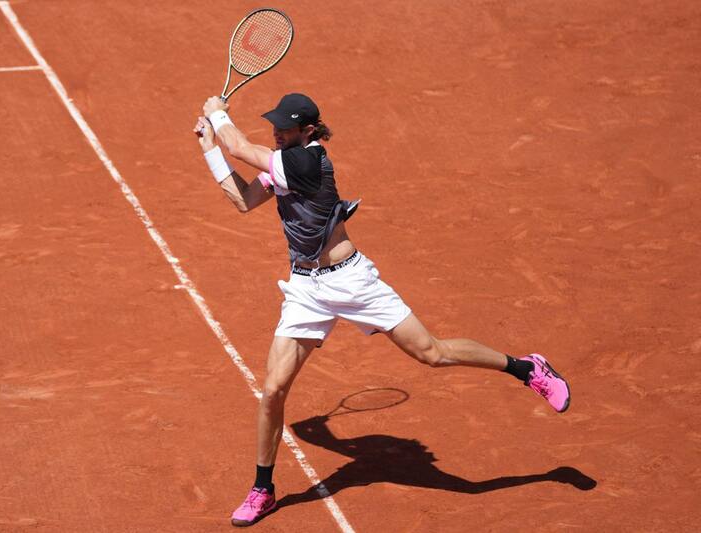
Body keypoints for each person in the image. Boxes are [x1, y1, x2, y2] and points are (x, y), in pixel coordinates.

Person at [193, 93, 571, 527]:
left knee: (432, 353)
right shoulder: (284, 162)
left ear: (309, 131)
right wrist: (210, 148)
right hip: (306, 289)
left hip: (352, 283)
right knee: (273, 390)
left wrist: (217, 114)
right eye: (275, 126)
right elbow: (243, 200)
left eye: (286, 128)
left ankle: (526, 368)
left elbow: (240, 147)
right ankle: (263, 489)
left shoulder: (307, 162)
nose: (277, 133)